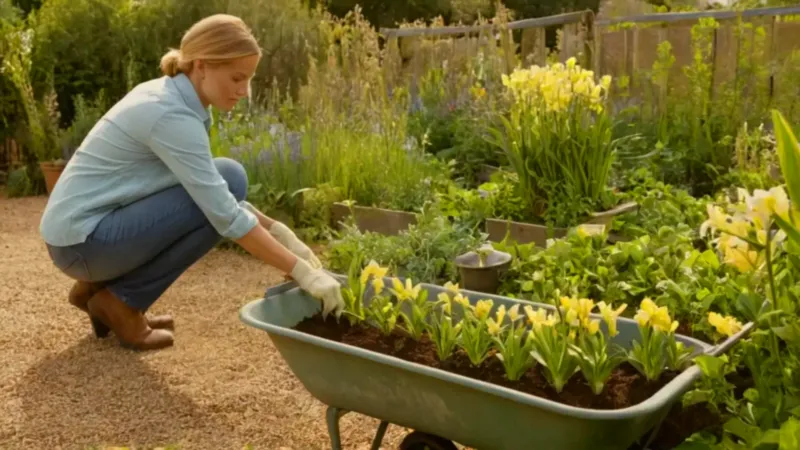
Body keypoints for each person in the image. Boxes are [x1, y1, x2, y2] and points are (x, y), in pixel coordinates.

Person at [39, 14, 344, 352]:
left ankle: (98, 291)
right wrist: (303, 271)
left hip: (82, 235)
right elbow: (223, 213)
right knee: (219, 200)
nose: (244, 91)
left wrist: (279, 232)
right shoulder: (171, 115)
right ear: (202, 66)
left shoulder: (175, 95)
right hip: (82, 244)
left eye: (249, 79)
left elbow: (208, 187)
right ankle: (120, 303)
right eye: (236, 78)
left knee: (229, 176)